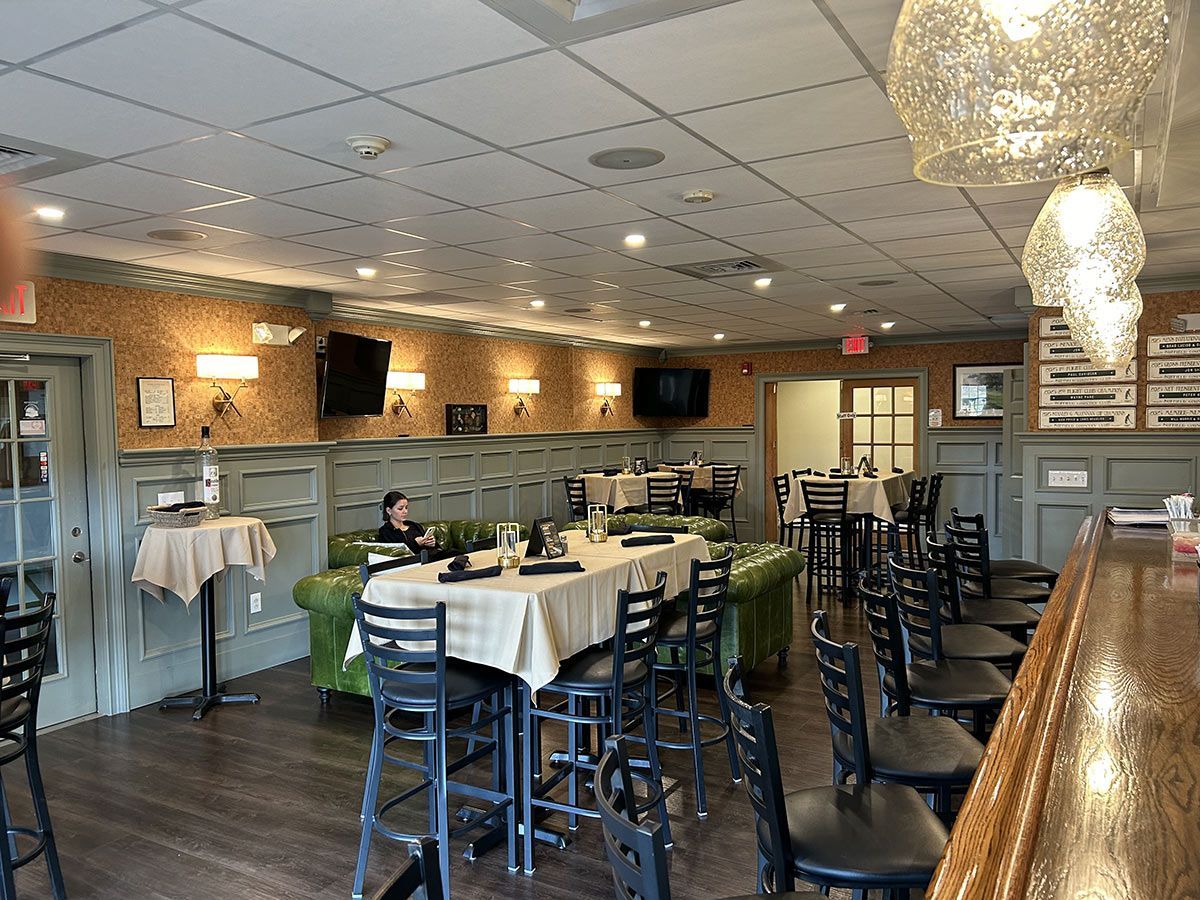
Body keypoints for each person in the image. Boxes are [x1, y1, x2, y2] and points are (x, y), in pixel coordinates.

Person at [377, 491, 439, 556]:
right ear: (389, 510)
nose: (405, 511)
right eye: (400, 509)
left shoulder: (414, 525)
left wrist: (432, 543)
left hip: (431, 559)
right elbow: (398, 554)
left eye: (406, 507)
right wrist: (416, 543)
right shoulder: (385, 532)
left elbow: (436, 549)